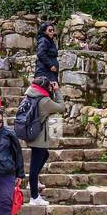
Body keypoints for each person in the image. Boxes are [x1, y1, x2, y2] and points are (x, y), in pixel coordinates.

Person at [21, 75, 66, 207]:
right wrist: (57, 91)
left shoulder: (30, 95)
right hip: (39, 138)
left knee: (44, 155)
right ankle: (34, 197)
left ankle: (33, 183)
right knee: (34, 168)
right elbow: (61, 107)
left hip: (33, 134)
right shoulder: (44, 101)